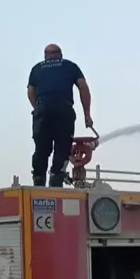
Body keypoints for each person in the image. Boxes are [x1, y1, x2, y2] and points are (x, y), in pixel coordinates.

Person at [27, 44, 93, 187]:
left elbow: (30, 92)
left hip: (42, 109)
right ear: (60, 55)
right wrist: (87, 115)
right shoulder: (70, 66)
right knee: (62, 147)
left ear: (45, 56)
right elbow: (83, 87)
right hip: (64, 109)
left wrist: (38, 108)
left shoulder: (37, 68)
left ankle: (38, 180)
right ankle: (56, 179)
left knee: (41, 148)